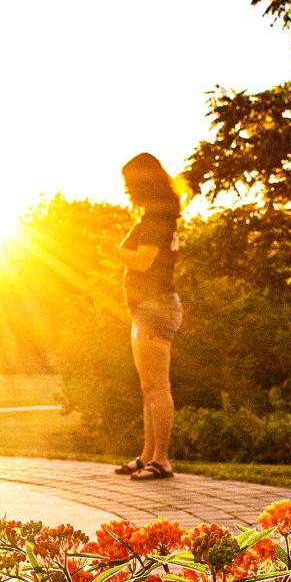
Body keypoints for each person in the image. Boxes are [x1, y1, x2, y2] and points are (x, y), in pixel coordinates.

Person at [102, 152, 183, 481]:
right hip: (150, 308)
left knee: (158, 387)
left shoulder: (156, 219)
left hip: (155, 307)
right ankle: (148, 455)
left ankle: (161, 460)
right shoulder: (159, 215)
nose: (125, 190)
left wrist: (111, 248)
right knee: (149, 387)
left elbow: (143, 261)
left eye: (128, 183)